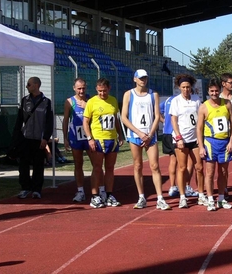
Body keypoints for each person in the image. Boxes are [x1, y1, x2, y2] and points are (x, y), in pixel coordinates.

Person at [121, 69, 171, 210]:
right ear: (135, 79)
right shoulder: (128, 94)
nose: (143, 80)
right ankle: (141, 196)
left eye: (145, 78)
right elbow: (124, 117)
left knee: (155, 166)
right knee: (137, 166)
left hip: (150, 136)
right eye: (141, 78)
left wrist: (149, 134)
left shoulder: (153, 94)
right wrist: (138, 132)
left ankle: (160, 198)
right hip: (135, 135)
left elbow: (156, 116)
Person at [63, 78, 106, 203]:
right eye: (79, 88)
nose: (81, 91)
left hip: (90, 137)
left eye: (83, 88)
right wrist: (65, 138)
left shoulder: (92, 100)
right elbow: (66, 120)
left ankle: (102, 190)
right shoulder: (69, 102)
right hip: (76, 137)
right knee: (78, 164)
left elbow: (100, 115)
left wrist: (87, 106)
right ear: (74, 88)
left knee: (97, 165)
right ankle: (80, 191)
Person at [83, 78, 124, 208]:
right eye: (100, 91)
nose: (102, 94)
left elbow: (116, 120)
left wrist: (120, 135)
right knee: (97, 168)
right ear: (96, 90)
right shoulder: (91, 102)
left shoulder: (113, 101)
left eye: (104, 91)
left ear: (109, 89)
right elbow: (85, 122)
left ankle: (109, 194)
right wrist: (90, 138)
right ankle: (95, 196)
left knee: (110, 168)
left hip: (112, 139)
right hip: (98, 139)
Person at [197, 78, 232, 211]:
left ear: (220, 90)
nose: (214, 93)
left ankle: (221, 198)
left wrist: (231, 141)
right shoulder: (204, 107)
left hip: (225, 142)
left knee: (223, 172)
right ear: (208, 91)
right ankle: (210, 199)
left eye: (216, 91)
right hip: (210, 142)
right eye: (212, 91)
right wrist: (201, 146)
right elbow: (199, 128)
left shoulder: (227, 104)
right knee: (210, 172)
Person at [169, 74, 205, 208]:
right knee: (182, 167)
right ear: (179, 88)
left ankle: (201, 194)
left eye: (188, 87)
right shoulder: (176, 101)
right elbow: (173, 120)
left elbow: (201, 117)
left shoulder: (196, 99)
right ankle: (182, 196)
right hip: (182, 139)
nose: (186, 90)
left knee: (199, 167)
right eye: (183, 87)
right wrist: (178, 137)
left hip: (195, 138)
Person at [14, 77, 54, 199]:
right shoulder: (24, 100)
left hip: (39, 138)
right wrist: (16, 137)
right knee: (23, 165)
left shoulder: (46, 102)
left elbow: (49, 122)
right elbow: (19, 120)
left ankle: (37, 189)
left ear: (36, 85)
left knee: (38, 165)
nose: (27, 86)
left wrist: (45, 138)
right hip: (25, 138)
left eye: (29, 84)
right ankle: (25, 188)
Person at [160, 95, 198, 197]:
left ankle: (172, 186)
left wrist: (164, 122)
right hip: (178, 134)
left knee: (173, 161)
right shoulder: (180, 100)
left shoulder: (167, 99)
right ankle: (186, 186)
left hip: (167, 133)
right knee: (188, 162)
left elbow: (157, 111)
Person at [219, 73, 232, 199]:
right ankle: (224, 188)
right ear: (223, 84)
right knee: (224, 164)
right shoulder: (217, 97)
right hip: (224, 135)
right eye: (230, 82)